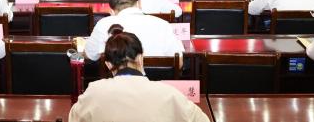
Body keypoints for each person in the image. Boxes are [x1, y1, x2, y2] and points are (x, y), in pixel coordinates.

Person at [70, 25, 210, 122]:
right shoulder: (169, 93)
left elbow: (73, 118)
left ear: (108, 64)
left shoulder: (93, 92)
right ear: (141, 58)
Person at [83, 0, 183, 61]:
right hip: (158, 82)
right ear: (139, 3)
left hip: (118, 83)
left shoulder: (103, 24)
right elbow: (179, 61)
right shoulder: (163, 25)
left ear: (111, 11)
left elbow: (89, 55)